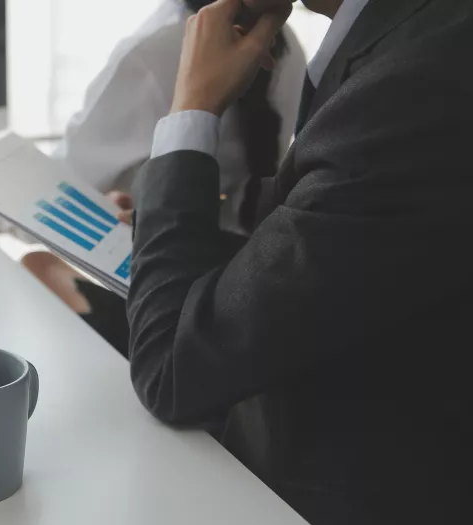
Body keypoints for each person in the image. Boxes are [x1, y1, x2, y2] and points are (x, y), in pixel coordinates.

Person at [127, 0, 473, 525]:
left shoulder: (423, 76)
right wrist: (177, 217)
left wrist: (192, 108)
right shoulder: (416, 32)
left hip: (338, 511)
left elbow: (170, 368)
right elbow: (342, 236)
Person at [21, 0, 306, 356]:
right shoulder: (288, 45)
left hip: (180, 303)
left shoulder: (155, 51)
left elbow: (58, 189)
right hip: (250, 272)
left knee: (36, 264)